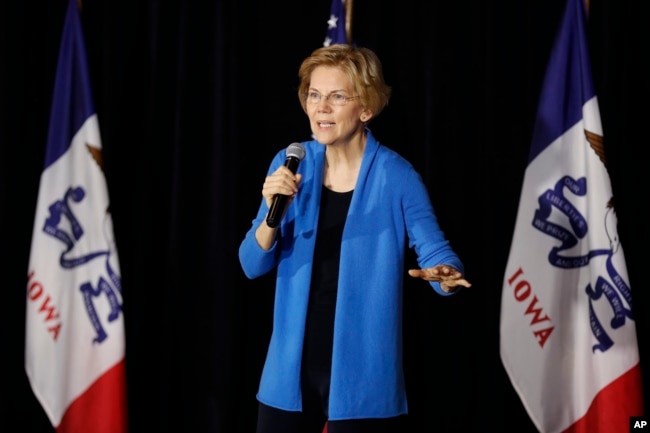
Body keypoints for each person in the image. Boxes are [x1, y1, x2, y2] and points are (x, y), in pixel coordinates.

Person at [239, 44, 471, 433]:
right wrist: (271, 215)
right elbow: (251, 263)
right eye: (314, 95)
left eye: (337, 97)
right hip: (288, 376)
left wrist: (446, 273)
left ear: (365, 109)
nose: (320, 108)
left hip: (363, 379)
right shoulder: (290, 163)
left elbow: (437, 252)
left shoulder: (397, 176)